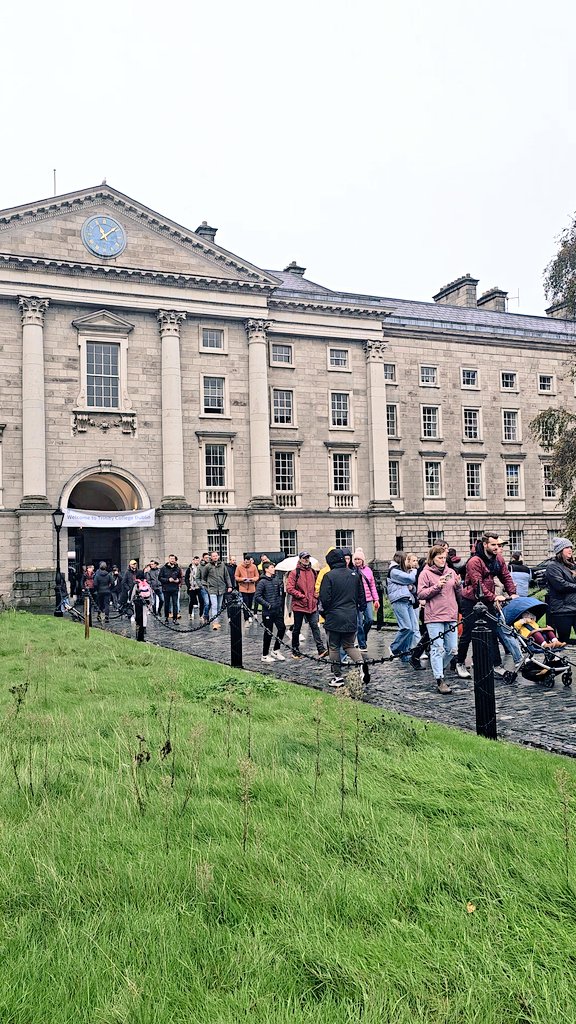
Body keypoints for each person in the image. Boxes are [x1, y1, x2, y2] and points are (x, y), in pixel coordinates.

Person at [455, 532, 516, 678]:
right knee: (468, 633)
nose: (496, 547)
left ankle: (496, 664)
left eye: (498, 545)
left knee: (492, 632)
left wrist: (512, 593)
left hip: (487, 601)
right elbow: (478, 585)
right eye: (493, 545)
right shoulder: (474, 561)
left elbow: (505, 576)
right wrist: (494, 596)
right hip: (471, 600)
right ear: (485, 545)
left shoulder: (498, 559)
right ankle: (460, 663)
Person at [417, 545, 462, 694]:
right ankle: (439, 679)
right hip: (434, 615)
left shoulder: (451, 571)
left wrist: (457, 585)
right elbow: (421, 594)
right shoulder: (425, 574)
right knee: (437, 648)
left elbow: (457, 593)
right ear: (433, 558)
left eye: (444, 557)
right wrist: (437, 586)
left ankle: (438, 668)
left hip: (450, 614)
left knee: (452, 648)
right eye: (439, 558)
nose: (442, 560)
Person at [319, 548, 367, 687]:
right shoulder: (354, 575)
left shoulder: (329, 576)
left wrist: (326, 613)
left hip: (334, 616)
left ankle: (337, 677)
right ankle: (361, 664)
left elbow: (324, 599)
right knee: (349, 645)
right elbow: (361, 597)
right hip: (351, 615)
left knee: (333, 647)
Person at [286, 552, 328, 659]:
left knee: (315, 627)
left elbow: (316, 586)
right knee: (297, 628)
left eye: (307, 558)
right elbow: (289, 588)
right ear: (300, 559)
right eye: (304, 558)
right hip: (299, 605)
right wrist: (301, 596)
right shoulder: (295, 573)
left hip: (312, 605)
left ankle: (321, 649)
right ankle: (295, 650)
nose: (306, 560)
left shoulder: (313, 572)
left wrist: (315, 596)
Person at [387, 552, 420, 664]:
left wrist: (412, 588)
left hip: (408, 600)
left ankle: (405, 653)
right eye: (407, 560)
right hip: (399, 600)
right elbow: (411, 578)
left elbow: (412, 587)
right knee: (406, 627)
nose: (408, 562)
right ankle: (394, 648)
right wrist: (414, 569)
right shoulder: (394, 571)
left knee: (411, 629)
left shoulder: (400, 571)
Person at [544, 538, 576, 643]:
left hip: (574, 607)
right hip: (562, 610)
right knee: (563, 641)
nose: (570, 550)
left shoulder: (571, 566)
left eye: (570, 547)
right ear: (560, 550)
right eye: (566, 547)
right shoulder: (552, 567)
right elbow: (561, 585)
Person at [254, 562, 286, 662]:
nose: (274, 569)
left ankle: (276, 649)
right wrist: (267, 605)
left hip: (277, 610)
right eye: (272, 567)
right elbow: (257, 596)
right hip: (268, 611)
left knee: (282, 628)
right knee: (268, 632)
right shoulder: (262, 582)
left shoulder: (276, 579)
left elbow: (279, 593)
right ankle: (264, 654)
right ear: (266, 569)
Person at [352, 548, 379, 651]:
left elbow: (372, 585)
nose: (357, 561)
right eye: (356, 559)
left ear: (363, 560)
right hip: (357, 600)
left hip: (367, 599)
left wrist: (376, 599)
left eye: (359, 559)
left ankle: (363, 637)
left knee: (369, 620)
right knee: (358, 623)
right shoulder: (352, 570)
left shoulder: (368, 570)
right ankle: (362, 644)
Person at [200, 550, 232, 629]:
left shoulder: (222, 565)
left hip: (221, 588)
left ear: (218, 556)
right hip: (212, 589)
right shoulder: (208, 566)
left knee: (219, 606)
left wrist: (229, 586)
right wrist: (207, 585)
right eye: (213, 556)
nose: (215, 557)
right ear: (211, 557)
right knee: (214, 605)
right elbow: (203, 578)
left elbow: (226, 576)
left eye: (216, 556)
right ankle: (215, 622)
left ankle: (216, 619)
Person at [235, 555, 260, 623]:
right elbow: (236, 577)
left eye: (248, 560)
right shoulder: (239, 567)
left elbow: (257, 576)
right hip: (243, 587)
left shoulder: (254, 566)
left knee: (250, 603)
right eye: (246, 560)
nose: (247, 561)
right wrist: (242, 579)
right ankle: (247, 617)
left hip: (251, 588)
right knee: (245, 603)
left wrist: (252, 579)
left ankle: (249, 615)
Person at [159, 554, 182, 623]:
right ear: (169, 559)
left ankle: (175, 618)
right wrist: (168, 580)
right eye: (171, 558)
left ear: (175, 560)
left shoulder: (177, 568)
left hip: (175, 588)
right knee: (167, 604)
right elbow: (160, 578)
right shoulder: (163, 568)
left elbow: (180, 577)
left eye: (173, 559)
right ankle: (166, 617)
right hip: (166, 589)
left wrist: (178, 581)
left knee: (175, 604)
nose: (172, 560)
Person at [130, 570, 151, 642]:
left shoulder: (136, 584)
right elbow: (150, 592)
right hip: (146, 601)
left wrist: (131, 601)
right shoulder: (146, 583)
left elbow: (133, 594)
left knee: (138, 617)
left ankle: (139, 634)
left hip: (138, 603)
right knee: (144, 615)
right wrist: (150, 602)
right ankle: (144, 627)